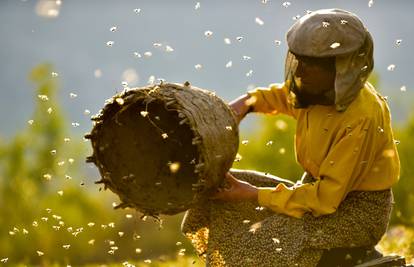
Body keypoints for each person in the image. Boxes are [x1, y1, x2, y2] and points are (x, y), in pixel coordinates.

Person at [181, 8, 400, 267]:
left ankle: (353, 259)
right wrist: (245, 105)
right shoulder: (317, 90)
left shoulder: (361, 117)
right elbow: (281, 96)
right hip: (317, 198)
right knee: (223, 191)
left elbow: (325, 199)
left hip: (356, 215)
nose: (299, 72)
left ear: (339, 68)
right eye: (299, 61)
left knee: (265, 237)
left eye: (310, 65)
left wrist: (253, 195)